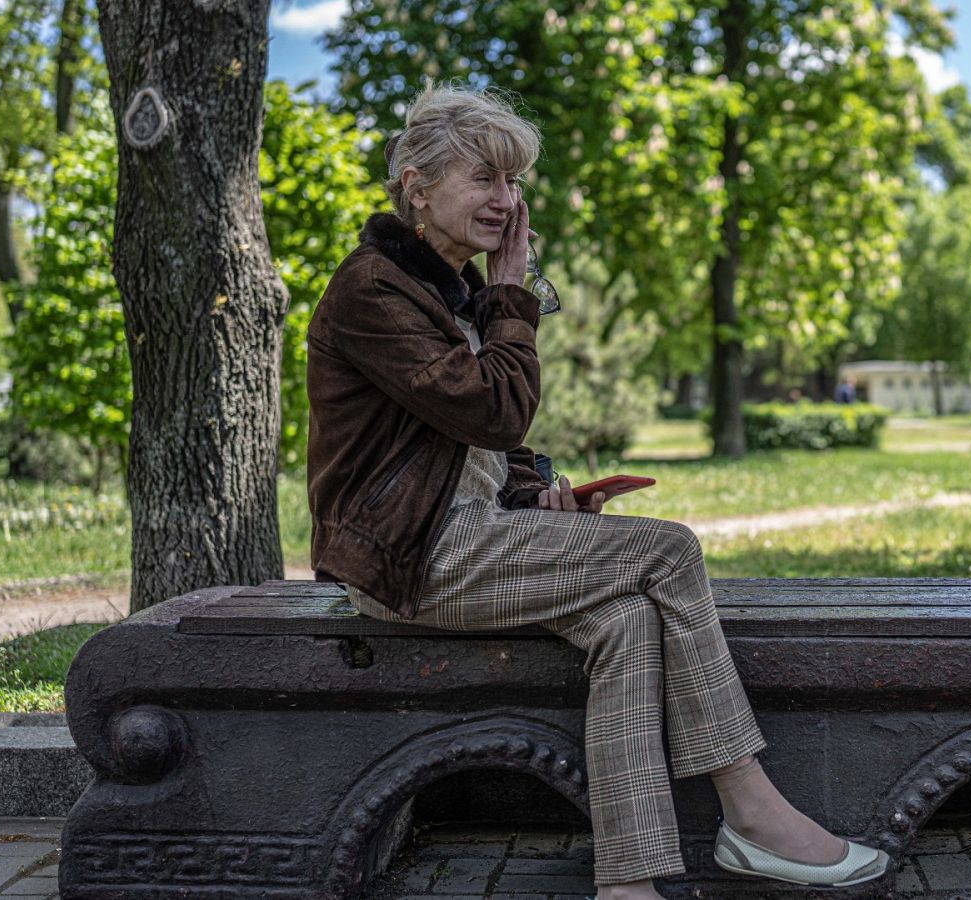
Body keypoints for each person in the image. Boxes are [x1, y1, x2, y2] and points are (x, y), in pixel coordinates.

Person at [304, 84, 888, 900]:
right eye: (485, 179)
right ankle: (751, 811)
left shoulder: (445, 288)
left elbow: (464, 440)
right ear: (417, 184)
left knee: (627, 618)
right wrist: (513, 292)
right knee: (671, 550)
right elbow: (493, 407)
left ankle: (628, 882)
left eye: (513, 184)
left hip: (463, 537)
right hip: (414, 559)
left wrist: (540, 493)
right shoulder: (373, 289)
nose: (506, 203)